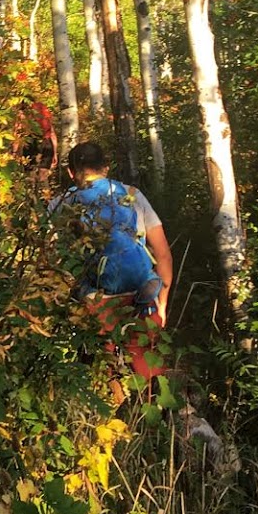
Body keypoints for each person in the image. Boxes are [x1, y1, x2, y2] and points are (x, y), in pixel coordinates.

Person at [50, 142, 174, 378]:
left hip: (94, 299)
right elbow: (163, 254)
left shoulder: (60, 204)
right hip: (142, 296)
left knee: (102, 375)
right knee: (150, 373)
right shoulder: (132, 195)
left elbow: (50, 258)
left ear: (70, 172)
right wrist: (162, 302)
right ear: (106, 168)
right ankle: (159, 411)